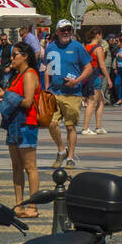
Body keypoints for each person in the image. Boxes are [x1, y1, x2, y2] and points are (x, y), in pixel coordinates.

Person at [0, 41, 41, 217]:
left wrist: (7, 95)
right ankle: (19, 204)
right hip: (13, 124)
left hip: (26, 124)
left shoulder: (29, 74)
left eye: (15, 55)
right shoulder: (17, 75)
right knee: (16, 166)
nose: (11, 58)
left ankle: (33, 206)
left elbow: (28, 101)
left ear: (25, 56)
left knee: (30, 166)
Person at [44, 20, 95, 167]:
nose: (66, 32)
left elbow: (89, 68)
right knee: (52, 124)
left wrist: (77, 80)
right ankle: (61, 150)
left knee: (70, 127)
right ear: (57, 32)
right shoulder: (50, 47)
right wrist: (46, 87)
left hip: (72, 93)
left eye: (69, 29)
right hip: (54, 92)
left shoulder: (77, 47)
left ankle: (70, 157)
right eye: (63, 29)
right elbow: (46, 67)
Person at [82, 28, 113, 134]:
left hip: (88, 76)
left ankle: (98, 127)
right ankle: (85, 128)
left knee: (101, 101)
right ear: (98, 35)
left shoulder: (86, 47)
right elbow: (102, 65)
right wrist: (108, 78)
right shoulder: (98, 48)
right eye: (101, 35)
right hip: (96, 76)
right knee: (92, 102)